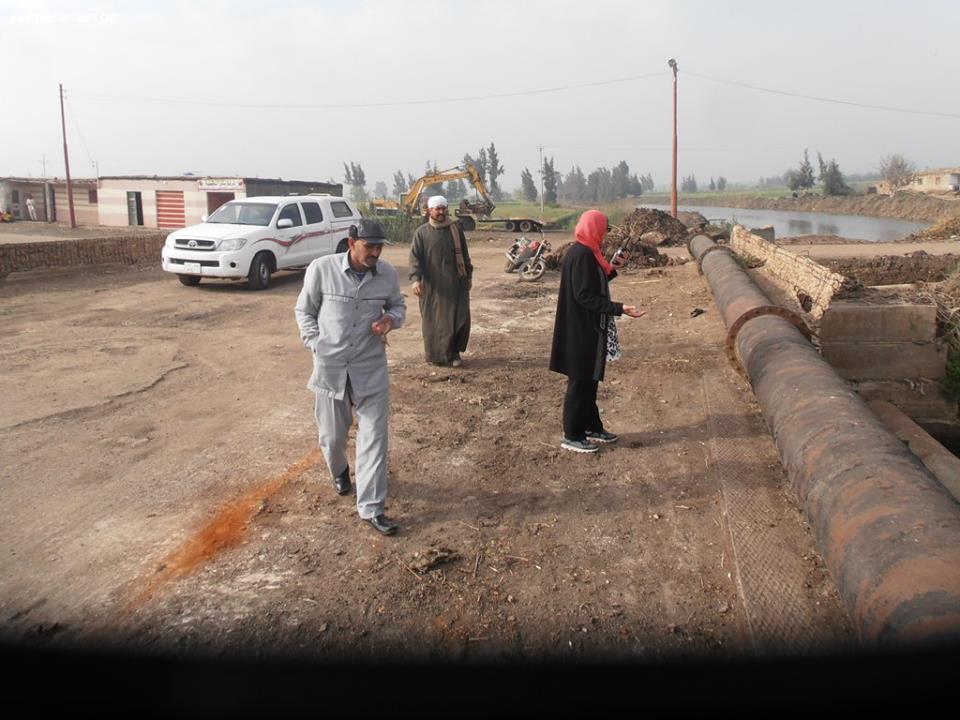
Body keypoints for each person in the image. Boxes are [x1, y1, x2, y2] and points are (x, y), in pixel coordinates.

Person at [295, 219, 406, 535]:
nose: (375, 252)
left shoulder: (385, 273)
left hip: (370, 367)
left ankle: (372, 508)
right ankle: (340, 469)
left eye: (379, 246)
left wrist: (390, 319)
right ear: (351, 242)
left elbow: (398, 306)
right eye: (369, 246)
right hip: (331, 368)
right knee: (333, 438)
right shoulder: (322, 269)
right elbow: (304, 310)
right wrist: (316, 342)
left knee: (374, 438)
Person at [549, 210, 646, 454]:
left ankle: (592, 426)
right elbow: (584, 296)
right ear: (594, 228)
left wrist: (612, 267)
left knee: (589, 380)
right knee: (580, 382)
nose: (604, 234)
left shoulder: (589, 252)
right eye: (603, 229)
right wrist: (619, 308)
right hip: (581, 330)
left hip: (589, 328)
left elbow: (595, 282)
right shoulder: (582, 254)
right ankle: (572, 435)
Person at [409, 195, 473, 367]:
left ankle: (454, 354)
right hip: (433, 288)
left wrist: (469, 275)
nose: (441, 212)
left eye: (443, 208)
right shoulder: (421, 233)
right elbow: (415, 259)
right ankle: (436, 356)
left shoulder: (455, 229)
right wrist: (415, 280)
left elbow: (465, 254)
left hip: (457, 283)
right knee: (435, 323)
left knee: (460, 319)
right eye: (437, 209)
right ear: (430, 210)